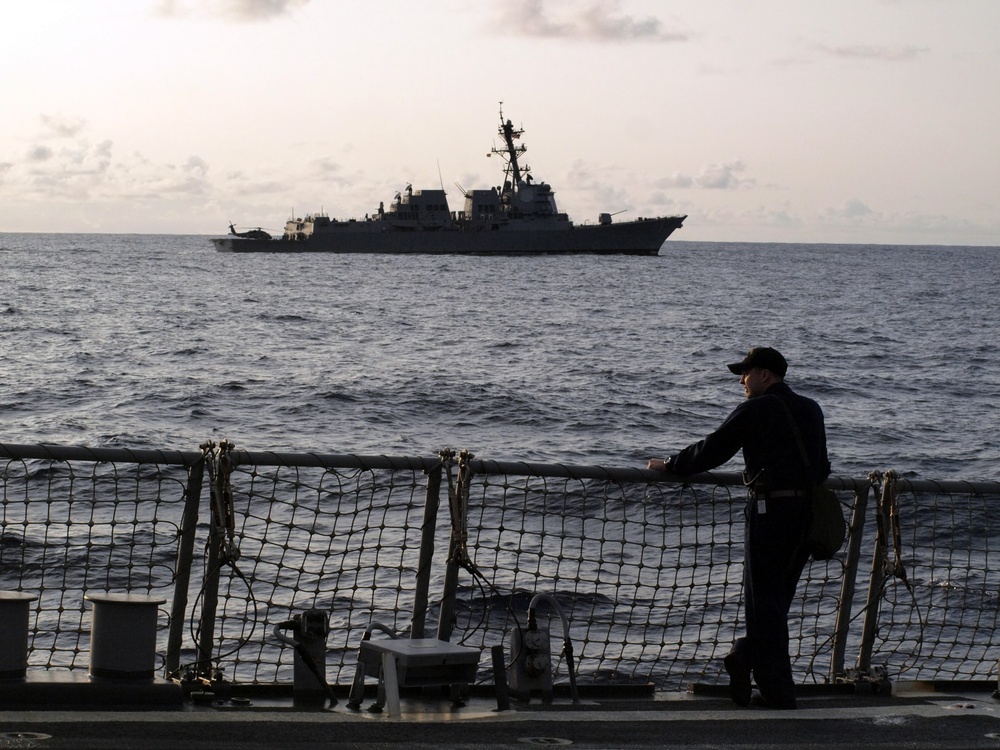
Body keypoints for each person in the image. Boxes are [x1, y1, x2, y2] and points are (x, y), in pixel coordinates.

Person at [648, 347, 829, 710]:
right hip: (806, 515)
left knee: (762, 601)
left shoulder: (756, 408)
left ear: (765, 375)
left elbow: (714, 449)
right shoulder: (811, 408)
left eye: (745, 374)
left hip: (769, 511)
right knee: (778, 600)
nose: (742, 382)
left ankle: (764, 676)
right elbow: (821, 467)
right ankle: (762, 671)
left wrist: (670, 464)